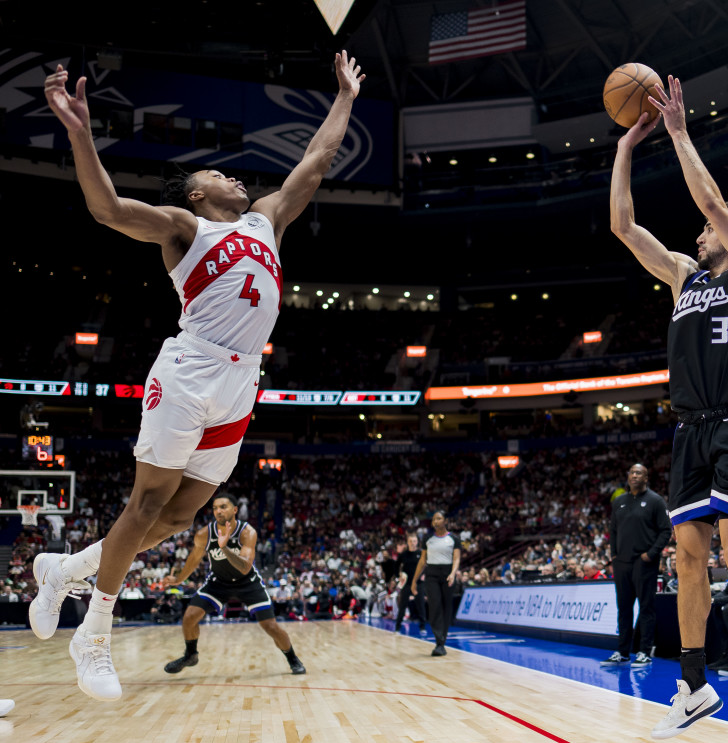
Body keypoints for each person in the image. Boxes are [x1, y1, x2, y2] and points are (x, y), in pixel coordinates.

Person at [27, 52, 365, 701]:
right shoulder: (186, 229)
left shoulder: (266, 221)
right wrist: (78, 133)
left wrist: (346, 96)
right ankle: (93, 635)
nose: (233, 177)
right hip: (192, 367)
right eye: (218, 173)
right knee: (146, 504)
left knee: (180, 515)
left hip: (241, 383)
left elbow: (315, 164)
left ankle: (63, 570)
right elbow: (108, 209)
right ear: (196, 193)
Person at [611, 75, 728, 743]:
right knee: (687, 560)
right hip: (689, 430)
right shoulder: (685, 276)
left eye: (710, 228)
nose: (700, 229)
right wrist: (628, 146)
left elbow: (709, 197)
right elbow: (624, 226)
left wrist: (680, 133)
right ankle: (695, 684)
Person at [162, 493, 305, 675]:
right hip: (219, 582)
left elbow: (245, 567)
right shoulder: (204, 534)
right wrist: (179, 579)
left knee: (270, 626)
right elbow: (194, 559)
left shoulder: (247, 532)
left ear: (235, 510)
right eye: (215, 508)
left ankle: (292, 658)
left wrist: (224, 548)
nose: (218, 511)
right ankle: (191, 654)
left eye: (223, 507)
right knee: (190, 617)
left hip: (248, 583)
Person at [601, 464, 672, 667]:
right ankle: (622, 652)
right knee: (623, 608)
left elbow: (665, 531)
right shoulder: (619, 502)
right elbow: (613, 531)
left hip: (644, 563)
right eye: (631, 472)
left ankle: (644, 652)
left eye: (639, 472)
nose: (634, 475)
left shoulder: (656, 501)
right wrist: (614, 555)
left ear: (646, 477)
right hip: (622, 563)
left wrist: (650, 554)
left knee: (646, 608)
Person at [409, 512, 461, 657]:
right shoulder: (428, 539)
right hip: (431, 574)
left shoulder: (454, 539)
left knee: (446, 608)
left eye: (439, 518)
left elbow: (456, 558)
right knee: (434, 606)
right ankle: (439, 643)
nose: (435, 521)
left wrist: (453, 573)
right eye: (434, 519)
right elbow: (422, 561)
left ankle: (441, 642)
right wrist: (414, 581)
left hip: (447, 574)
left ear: (445, 521)